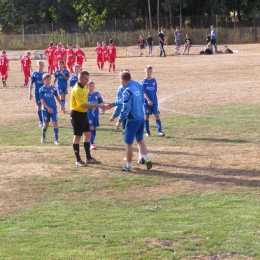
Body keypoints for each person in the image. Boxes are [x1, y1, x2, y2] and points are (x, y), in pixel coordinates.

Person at [115, 71, 152, 172]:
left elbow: (125, 108)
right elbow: (141, 101)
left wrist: (119, 120)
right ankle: (147, 159)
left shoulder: (126, 91)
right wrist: (113, 104)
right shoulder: (136, 88)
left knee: (128, 144)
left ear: (122, 79)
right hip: (141, 118)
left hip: (133, 120)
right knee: (140, 140)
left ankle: (128, 165)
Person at [70, 70, 106, 167]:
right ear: (80, 79)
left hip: (83, 114)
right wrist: (98, 105)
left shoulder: (84, 88)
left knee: (88, 135)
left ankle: (88, 158)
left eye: (88, 79)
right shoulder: (77, 89)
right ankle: (78, 160)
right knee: (77, 137)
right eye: (86, 79)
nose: (87, 81)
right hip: (77, 114)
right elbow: (84, 105)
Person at [39, 73, 64, 145]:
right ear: (43, 80)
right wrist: (48, 108)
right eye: (47, 79)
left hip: (54, 108)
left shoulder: (53, 88)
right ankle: (43, 137)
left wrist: (61, 105)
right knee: (46, 124)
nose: (49, 81)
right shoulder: (41, 89)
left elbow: (57, 97)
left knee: (55, 123)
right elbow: (42, 100)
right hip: (45, 110)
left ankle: (56, 140)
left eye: (50, 79)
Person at [142, 65, 165, 137]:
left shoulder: (154, 81)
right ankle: (147, 132)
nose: (148, 73)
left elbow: (155, 92)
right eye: (147, 71)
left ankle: (160, 131)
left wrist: (154, 101)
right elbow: (144, 92)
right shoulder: (144, 81)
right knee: (147, 116)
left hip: (154, 101)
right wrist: (148, 100)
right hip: (146, 102)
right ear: (145, 71)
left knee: (157, 115)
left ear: (151, 72)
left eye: (150, 71)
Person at [87, 81, 104, 150]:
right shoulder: (86, 95)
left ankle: (92, 141)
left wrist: (103, 108)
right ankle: (92, 143)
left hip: (96, 114)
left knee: (94, 127)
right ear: (87, 87)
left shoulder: (97, 94)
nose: (91, 88)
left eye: (92, 86)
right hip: (88, 114)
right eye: (90, 86)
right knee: (90, 127)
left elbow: (101, 102)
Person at [29, 60, 46, 127]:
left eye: (42, 66)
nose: (41, 67)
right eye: (40, 66)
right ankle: (41, 121)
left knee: (45, 106)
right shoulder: (34, 74)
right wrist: (29, 93)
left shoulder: (45, 74)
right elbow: (31, 84)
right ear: (37, 66)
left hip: (44, 92)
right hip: (37, 92)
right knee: (39, 106)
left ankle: (45, 119)